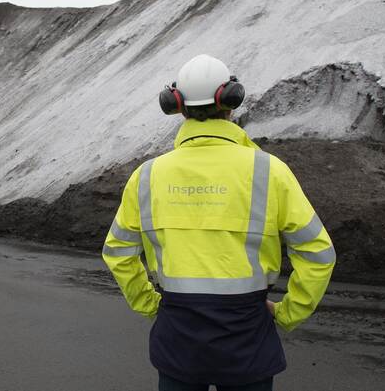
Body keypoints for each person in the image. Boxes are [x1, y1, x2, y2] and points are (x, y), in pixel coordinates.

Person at [102, 54, 335, 391]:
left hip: (177, 341)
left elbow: (118, 252)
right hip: (248, 342)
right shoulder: (269, 171)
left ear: (178, 106)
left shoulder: (147, 176)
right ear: (231, 101)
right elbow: (318, 254)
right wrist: (288, 313)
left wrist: (151, 306)